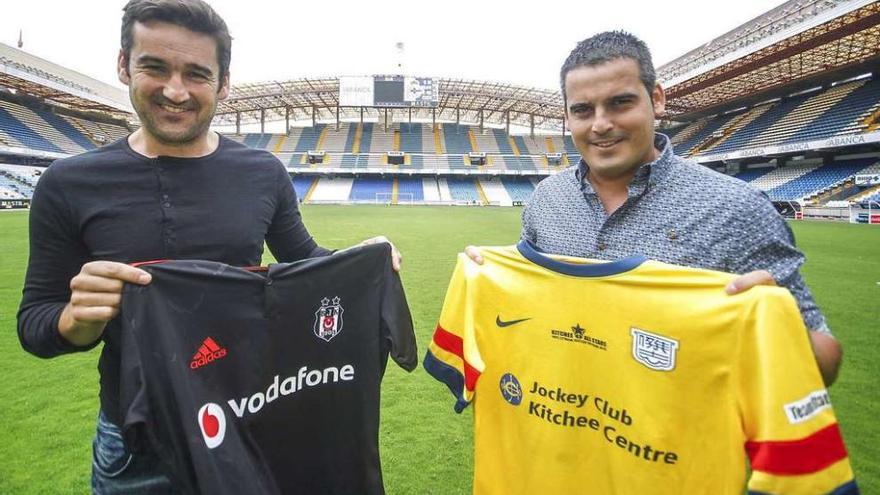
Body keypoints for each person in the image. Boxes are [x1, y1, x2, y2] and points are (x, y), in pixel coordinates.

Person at [16, 1, 400, 492]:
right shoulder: (68, 183)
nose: (175, 91)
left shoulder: (263, 173)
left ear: (222, 83)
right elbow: (35, 323)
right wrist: (75, 321)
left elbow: (305, 261)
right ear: (122, 65)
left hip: (247, 416)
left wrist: (363, 260)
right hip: (136, 441)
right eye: (155, 68)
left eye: (196, 74)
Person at [466, 31, 841, 386]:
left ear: (657, 99)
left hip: (676, 445)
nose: (600, 124)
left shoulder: (737, 208)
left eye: (620, 103)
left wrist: (780, 330)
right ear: (567, 118)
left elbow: (824, 360)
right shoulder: (546, 199)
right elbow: (527, 300)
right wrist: (491, 276)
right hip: (560, 431)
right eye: (582, 110)